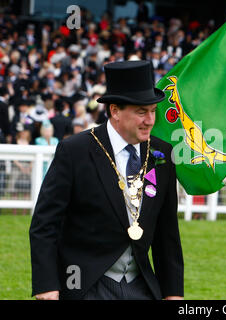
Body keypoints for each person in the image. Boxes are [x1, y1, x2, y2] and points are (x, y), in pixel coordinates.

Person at [29, 60, 184, 300]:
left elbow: (167, 233)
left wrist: (173, 293)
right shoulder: (75, 151)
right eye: (141, 112)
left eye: (153, 111)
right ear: (115, 111)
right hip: (84, 284)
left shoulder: (162, 154)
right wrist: (46, 285)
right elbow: (45, 223)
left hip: (141, 286)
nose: (150, 120)